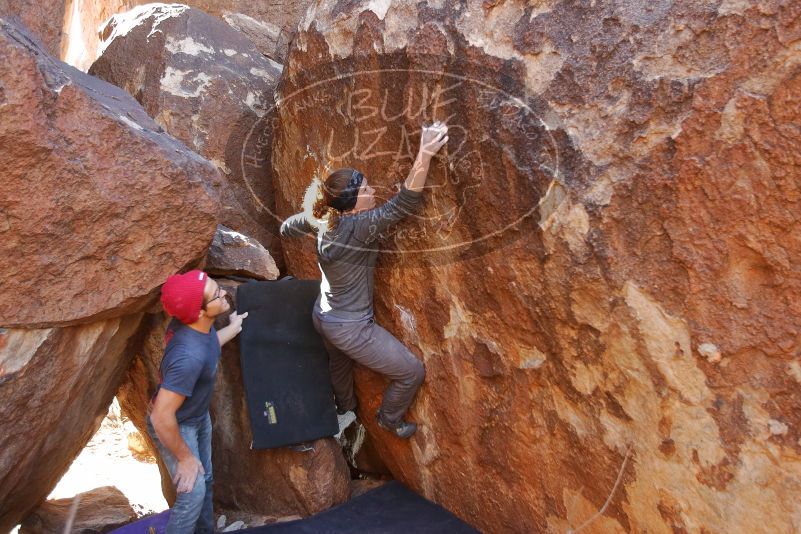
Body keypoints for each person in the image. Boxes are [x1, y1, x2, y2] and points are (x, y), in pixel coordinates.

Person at [280, 121, 449, 439]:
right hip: (351, 327)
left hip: (323, 315)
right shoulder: (359, 228)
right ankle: (389, 417)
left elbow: (289, 226)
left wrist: (289, 229)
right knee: (411, 372)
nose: (373, 192)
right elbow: (404, 203)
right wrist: (425, 153)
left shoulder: (322, 216)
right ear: (354, 204)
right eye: (367, 190)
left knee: (339, 364)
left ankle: (346, 409)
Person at [147, 270, 248, 534]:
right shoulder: (187, 356)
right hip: (175, 425)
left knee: (206, 480)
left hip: (196, 417)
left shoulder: (195, 326)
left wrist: (232, 328)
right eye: (217, 294)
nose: (224, 293)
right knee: (192, 493)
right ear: (200, 311)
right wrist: (185, 458)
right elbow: (161, 417)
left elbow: (208, 344)